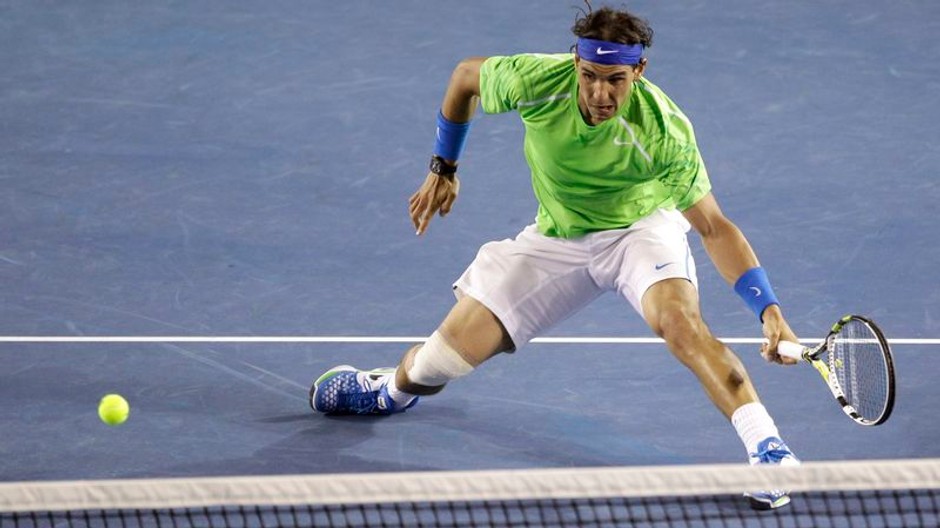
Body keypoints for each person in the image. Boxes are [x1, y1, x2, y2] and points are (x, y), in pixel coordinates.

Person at [310, 3, 801, 510]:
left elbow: (713, 226)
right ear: (575, 65)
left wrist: (769, 310)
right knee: (439, 362)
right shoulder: (538, 81)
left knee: (681, 325)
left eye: (615, 80)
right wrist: (443, 165)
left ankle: (770, 450)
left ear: (639, 72)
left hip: (639, 231)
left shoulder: (663, 129)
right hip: (558, 238)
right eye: (589, 76)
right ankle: (390, 391)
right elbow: (464, 79)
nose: (599, 94)